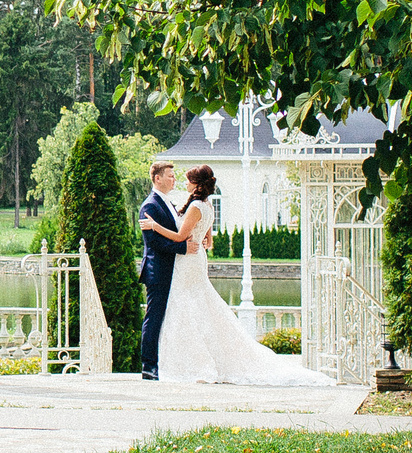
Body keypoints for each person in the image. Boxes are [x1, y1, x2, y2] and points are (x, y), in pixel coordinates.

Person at [145, 164, 335, 388]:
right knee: (197, 304)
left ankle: (189, 362)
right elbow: (210, 239)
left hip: (188, 260)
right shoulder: (206, 205)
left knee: (187, 305)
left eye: (187, 180)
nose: (183, 183)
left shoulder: (196, 206)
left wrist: (155, 226)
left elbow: (179, 236)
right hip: (196, 260)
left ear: (196, 183)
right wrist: (203, 241)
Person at [136, 160, 184, 379]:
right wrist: (184, 247)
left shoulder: (168, 203)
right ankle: (148, 365)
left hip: (174, 271)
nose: (174, 179)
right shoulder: (150, 206)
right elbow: (155, 243)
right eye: (170, 176)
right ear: (157, 178)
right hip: (158, 271)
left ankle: (165, 361)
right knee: (154, 317)